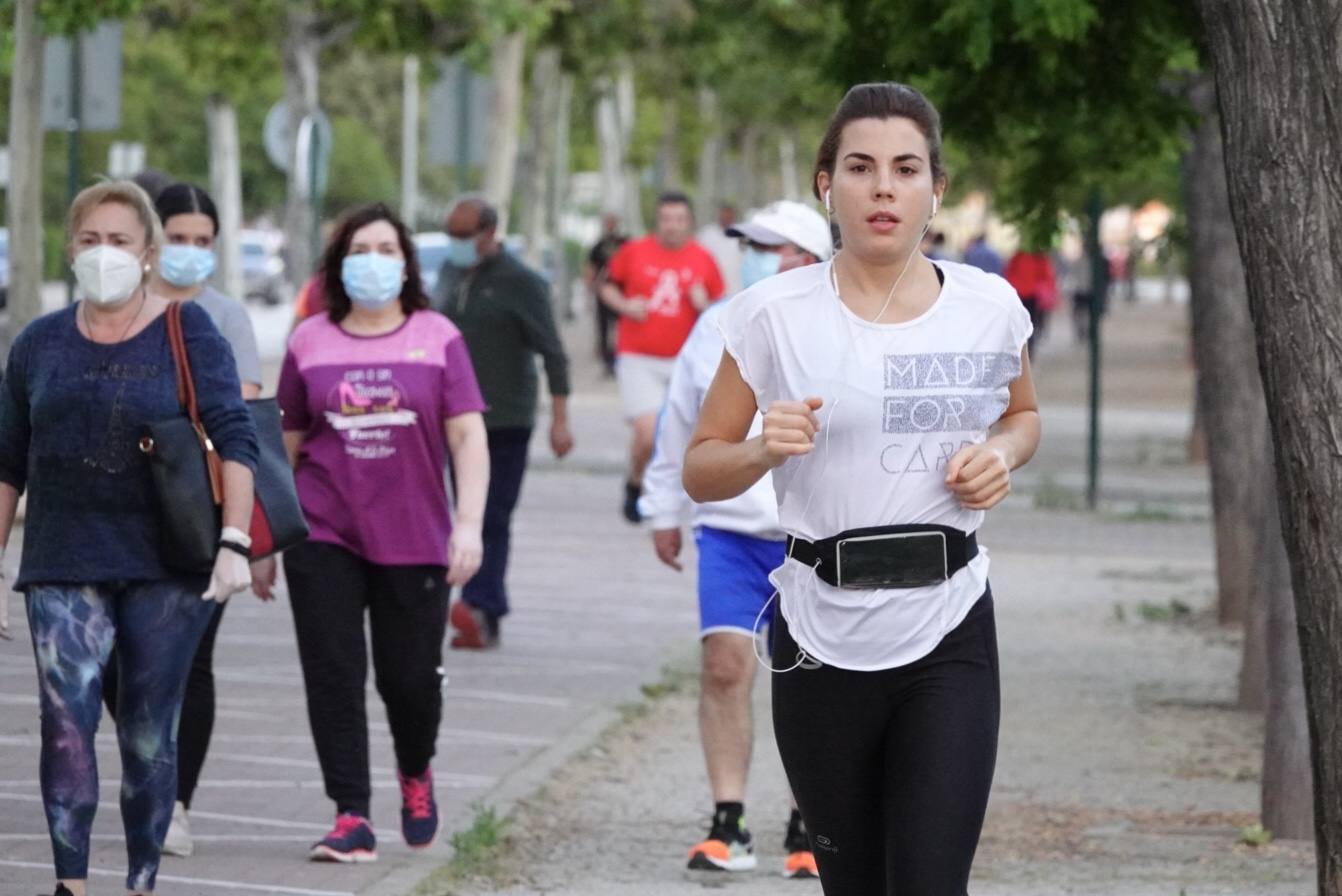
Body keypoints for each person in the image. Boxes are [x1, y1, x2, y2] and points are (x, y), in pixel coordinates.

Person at [683, 83, 1040, 894]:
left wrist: (1002, 453)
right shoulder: (771, 314)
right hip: (819, 632)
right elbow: (702, 464)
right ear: (826, 184)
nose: (884, 188)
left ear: (935, 188)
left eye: (906, 169)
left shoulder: (988, 306)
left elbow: (1023, 416)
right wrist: (761, 449)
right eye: (860, 167)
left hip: (948, 623)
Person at [0, 181, 258, 896]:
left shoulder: (188, 330)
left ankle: (141, 881)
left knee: (147, 736)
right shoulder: (38, 343)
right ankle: (71, 884)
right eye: (90, 240)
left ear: (148, 253)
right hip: (62, 558)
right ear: (69, 248)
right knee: (65, 723)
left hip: (165, 566)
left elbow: (235, 436)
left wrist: (235, 540)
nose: (103, 253)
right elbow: (6, 461)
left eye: (119, 240)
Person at [278, 202, 489, 862]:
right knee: (333, 675)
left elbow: (467, 437)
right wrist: (261, 539)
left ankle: (416, 771)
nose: (373, 262)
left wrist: (469, 526)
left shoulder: (438, 336)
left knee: (410, 681)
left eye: (386, 250)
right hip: (323, 533)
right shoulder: (309, 340)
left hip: (415, 536)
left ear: (406, 264)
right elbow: (284, 447)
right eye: (359, 251)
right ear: (338, 265)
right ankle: (351, 814)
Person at [640, 200, 830, 879]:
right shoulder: (715, 326)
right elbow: (680, 425)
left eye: (768, 247)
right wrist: (662, 508)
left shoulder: (838, 328)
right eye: (748, 245)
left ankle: (812, 824)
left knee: (813, 684)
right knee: (724, 667)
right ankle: (729, 821)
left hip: (813, 537)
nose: (752, 256)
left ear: (808, 260)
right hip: (729, 532)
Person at [100, 182, 268, 859]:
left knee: (190, 660)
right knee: (112, 660)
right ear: (151, 238)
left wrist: (247, 537)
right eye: (178, 237)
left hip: (198, 512)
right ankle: (149, 765)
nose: (190, 251)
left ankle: (174, 803)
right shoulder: (115, 304)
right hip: (114, 511)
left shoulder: (224, 317)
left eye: (203, 241)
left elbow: (239, 413)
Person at [435, 195, 573, 650]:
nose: (456, 243)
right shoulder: (449, 273)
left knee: (492, 514)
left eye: (464, 236)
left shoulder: (522, 282)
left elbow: (553, 352)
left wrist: (560, 420)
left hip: (505, 418)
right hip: (453, 417)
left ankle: (482, 607)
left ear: (490, 233)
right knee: (462, 511)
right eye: (451, 235)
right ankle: (470, 601)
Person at [599, 191, 724, 523]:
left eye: (679, 219)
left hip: (686, 360)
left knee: (683, 434)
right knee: (649, 431)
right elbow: (606, 286)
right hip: (638, 356)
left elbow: (722, 306)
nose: (672, 226)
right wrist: (625, 305)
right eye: (666, 219)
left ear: (689, 222)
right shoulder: (634, 251)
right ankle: (635, 480)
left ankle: (668, 496)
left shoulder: (703, 258)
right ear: (658, 221)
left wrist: (703, 305)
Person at [583, 213, 626, 376]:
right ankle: (607, 362)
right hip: (602, 292)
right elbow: (591, 268)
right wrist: (590, 287)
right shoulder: (598, 246)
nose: (610, 225)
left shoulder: (624, 243)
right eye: (607, 222)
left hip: (622, 293)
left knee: (621, 327)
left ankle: (620, 357)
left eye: (612, 222)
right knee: (604, 328)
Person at [1005, 248, 1058, 353]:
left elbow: (1009, 273)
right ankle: (1029, 350)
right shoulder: (1037, 256)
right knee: (1031, 324)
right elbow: (1046, 276)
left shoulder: (1019, 256)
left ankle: (1024, 349)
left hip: (1021, 294)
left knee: (1022, 324)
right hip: (1031, 294)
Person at [697, 202, 745, 297]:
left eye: (728, 214)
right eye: (723, 214)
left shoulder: (741, 236)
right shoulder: (707, 234)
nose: (725, 217)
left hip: (735, 290)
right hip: (711, 291)